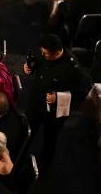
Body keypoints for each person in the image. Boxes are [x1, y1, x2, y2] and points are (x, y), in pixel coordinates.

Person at [24, 34, 90, 168]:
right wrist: (28, 69)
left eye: (45, 54)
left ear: (57, 52)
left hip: (54, 111)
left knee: (50, 139)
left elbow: (84, 91)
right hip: (36, 102)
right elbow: (35, 63)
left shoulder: (72, 67)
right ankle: (20, 155)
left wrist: (58, 97)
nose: (42, 55)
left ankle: (44, 166)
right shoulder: (44, 51)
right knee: (26, 132)